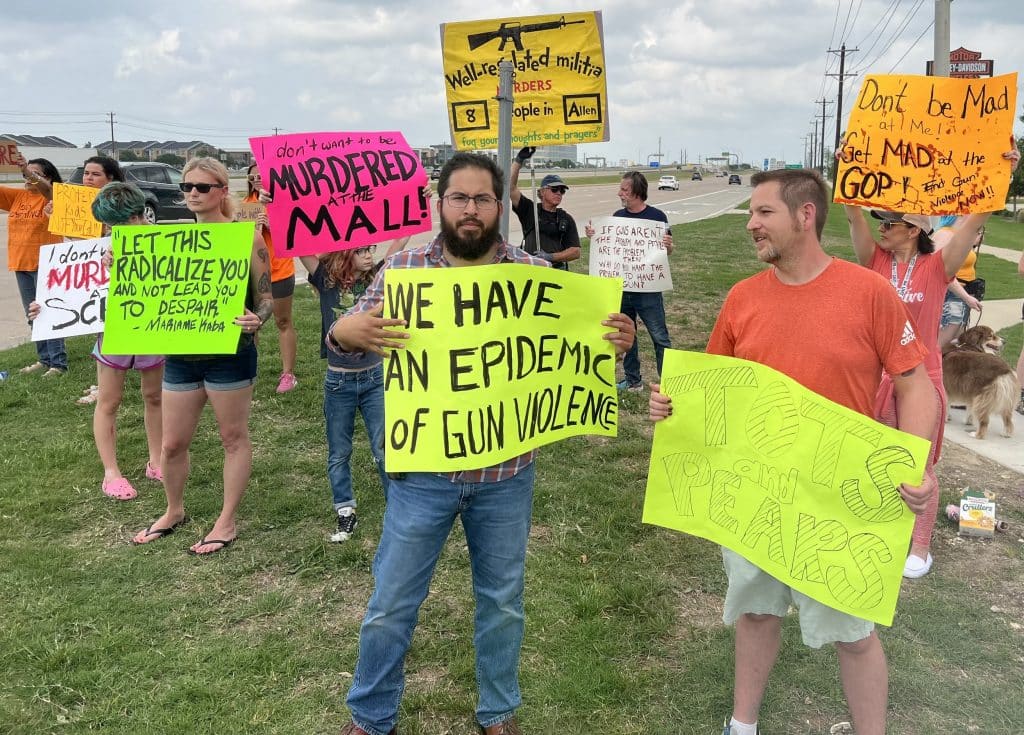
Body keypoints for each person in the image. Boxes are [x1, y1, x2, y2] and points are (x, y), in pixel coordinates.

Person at [330, 152, 635, 735]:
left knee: (502, 602)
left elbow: (579, 337)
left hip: (505, 476)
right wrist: (344, 329)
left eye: (483, 199)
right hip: (422, 474)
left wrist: (612, 339)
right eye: (459, 198)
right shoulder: (405, 271)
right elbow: (345, 339)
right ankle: (370, 717)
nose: (471, 210)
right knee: (391, 604)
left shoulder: (531, 273)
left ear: (500, 206)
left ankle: (498, 712)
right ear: (438, 204)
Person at [650, 168, 937, 735]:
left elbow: (915, 381)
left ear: (805, 216)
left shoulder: (868, 292)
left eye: (763, 213)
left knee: (854, 635)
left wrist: (918, 464)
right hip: (756, 495)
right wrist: (672, 408)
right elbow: (716, 388)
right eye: (751, 214)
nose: (751, 225)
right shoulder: (742, 298)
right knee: (755, 613)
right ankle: (743, 725)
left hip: (838, 502)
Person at [842, 140, 1019, 578]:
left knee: (918, 462)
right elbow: (851, 212)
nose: (882, 226)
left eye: (890, 221)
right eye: (881, 219)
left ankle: (920, 547)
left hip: (922, 377)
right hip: (877, 376)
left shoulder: (937, 266)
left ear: (914, 229)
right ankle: (879, 524)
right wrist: (849, 163)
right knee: (877, 455)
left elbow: (972, 223)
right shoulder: (874, 261)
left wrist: (1004, 175)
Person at [131, 157, 273, 555]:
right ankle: (173, 509)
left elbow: (265, 299)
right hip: (181, 354)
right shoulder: (168, 239)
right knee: (172, 443)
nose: (193, 193)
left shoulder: (247, 237)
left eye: (202, 187)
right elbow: (142, 284)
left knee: (232, 436)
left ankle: (226, 520)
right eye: (187, 187)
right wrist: (120, 266)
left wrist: (255, 319)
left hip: (230, 353)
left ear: (222, 191)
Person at [298, 245, 389, 542]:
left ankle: (398, 508)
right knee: (339, 452)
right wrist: (276, 210)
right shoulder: (326, 280)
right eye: (362, 251)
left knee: (385, 448)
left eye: (371, 250)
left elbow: (402, 239)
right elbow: (299, 246)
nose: (369, 256)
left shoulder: (377, 278)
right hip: (339, 383)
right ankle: (345, 510)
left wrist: (418, 198)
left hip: (375, 378)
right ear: (345, 254)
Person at [88, 183, 164, 500]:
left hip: (153, 327)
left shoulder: (165, 241)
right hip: (115, 330)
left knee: (155, 396)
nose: (113, 229)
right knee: (109, 400)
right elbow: (77, 289)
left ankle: (157, 460)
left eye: (119, 222)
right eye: (109, 225)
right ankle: (111, 472)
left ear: (136, 215)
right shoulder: (102, 247)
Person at [586, 171, 673, 392]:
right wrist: (595, 236)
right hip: (623, 288)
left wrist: (668, 246)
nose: (620, 193)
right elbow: (611, 249)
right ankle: (633, 380)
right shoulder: (617, 216)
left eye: (624, 190)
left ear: (636, 192)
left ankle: (667, 382)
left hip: (648, 289)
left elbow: (666, 252)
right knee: (626, 334)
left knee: (660, 336)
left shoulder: (657, 217)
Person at [1, 157, 66, 376]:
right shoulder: (18, 196)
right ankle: (44, 359)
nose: (28, 177)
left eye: (34, 173)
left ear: (48, 177)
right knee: (33, 316)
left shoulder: (55, 196)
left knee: (50, 313)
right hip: (21, 262)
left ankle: (58, 363)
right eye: (25, 174)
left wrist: (25, 169)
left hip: (47, 264)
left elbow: (47, 189)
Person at [245, 163, 298, 393]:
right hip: (251, 274)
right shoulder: (244, 207)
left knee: (282, 321)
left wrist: (272, 225)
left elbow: (295, 234)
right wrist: (251, 229)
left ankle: (288, 374)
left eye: (261, 176)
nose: (257, 179)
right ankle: (249, 371)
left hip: (280, 270)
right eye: (253, 176)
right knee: (251, 325)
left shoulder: (283, 204)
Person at [508, 146, 580, 271]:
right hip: (531, 270)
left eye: (562, 191)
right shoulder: (530, 211)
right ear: (542, 192)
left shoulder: (565, 218)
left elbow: (575, 251)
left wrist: (550, 257)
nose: (559, 193)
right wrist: (519, 160)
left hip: (556, 270)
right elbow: (511, 187)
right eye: (554, 189)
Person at [934, 216, 984, 352]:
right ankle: (928, 371)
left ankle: (943, 372)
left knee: (955, 342)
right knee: (942, 343)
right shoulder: (945, 234)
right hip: (952, 294)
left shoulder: (960, 235)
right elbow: (941, 270)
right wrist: (966, 297)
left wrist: (973, 241)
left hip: (962, 294)